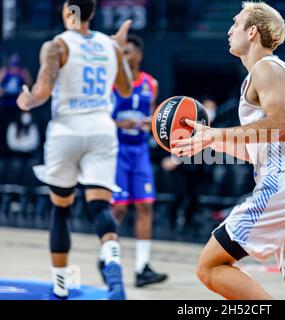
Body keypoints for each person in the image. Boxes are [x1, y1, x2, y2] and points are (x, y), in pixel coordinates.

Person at [172, 2, 285, 300]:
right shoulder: (268, 71)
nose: (230, 30)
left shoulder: (265, 66)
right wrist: (211, 140)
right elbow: (263, 149)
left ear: (253, 32)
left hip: (284, 186)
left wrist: (218, 132)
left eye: (236, 23)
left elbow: (280, 126)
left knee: (209, 267)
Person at [16, 0, 133, 300]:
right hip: (102, 131)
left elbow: (42, 91)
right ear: (92, 13)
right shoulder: (111, 46)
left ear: (68, 11)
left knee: (61, 208)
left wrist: (27, 100)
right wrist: (117, 50)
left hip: (67, 131)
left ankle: (60, 287)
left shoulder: (57, 45)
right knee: (99, 208)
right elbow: (125, 90)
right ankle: (116, 277)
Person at [99, 34, 168, 287]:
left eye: (126, 53)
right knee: (118, 208)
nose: (123, 57)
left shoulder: (151, 83)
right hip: (116, 151)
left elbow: (153, 116)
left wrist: (152, 123)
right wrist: (120, 123)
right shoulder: (111, 83)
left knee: (145, 206)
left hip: (139, 151)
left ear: (137, 55)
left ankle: (142, 268)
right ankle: (105, 256)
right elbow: (99, 118)